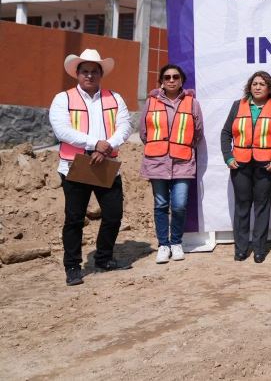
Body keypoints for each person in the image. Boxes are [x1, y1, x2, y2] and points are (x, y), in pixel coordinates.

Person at [49, 49, 133, 286]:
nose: (89, 75)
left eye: (94, 71)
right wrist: (94, 143)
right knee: (74, 218)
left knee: (114, 215)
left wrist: (105, 147)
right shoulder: (62, 99)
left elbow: (125, 126)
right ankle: (73, 266)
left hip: (106, 163)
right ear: (77, 74)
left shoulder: (114, 98)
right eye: (84, 71)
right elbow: (62, 130)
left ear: (100, 74)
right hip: (75, 166)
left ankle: (104, 258)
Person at [220, 71, 271, 263]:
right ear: (249, 87)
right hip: (240, 163)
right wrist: (228, 157)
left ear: (269, 88)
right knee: (242, 206)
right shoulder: (238, 106)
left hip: (266, 165)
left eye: (262, 84)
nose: (257, 87)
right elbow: (226, 133)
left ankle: (259, 249)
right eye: (254, 84)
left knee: (262, 206)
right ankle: (241, 248)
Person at [139, 64, 204, 264]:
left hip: (182, 160)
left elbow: (198, 132)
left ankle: (176, 242)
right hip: (157, 161)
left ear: (182, 80)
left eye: (176, 76)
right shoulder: (150, 103)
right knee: (160, 205)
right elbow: (143, 133)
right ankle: (163, 245)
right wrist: (159, 147)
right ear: (161, 81)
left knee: (179, 205)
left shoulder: (192, 103)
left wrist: (181, 146)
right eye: (167, 77)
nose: (171, 80)